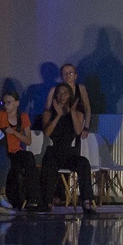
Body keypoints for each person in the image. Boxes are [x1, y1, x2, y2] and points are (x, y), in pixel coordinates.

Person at [36, 84, 95, 215]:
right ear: (56, 96)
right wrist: (58, 115)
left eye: (65, 93)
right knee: (49, 164)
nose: (62, 96)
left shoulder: (77, 113)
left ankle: (86, 201)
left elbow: (79, 131)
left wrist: (72, 112)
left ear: (70, 96)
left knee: (84, 162)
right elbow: (47, 133)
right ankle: (47, 202)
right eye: (59, 93)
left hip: (69, 153)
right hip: (54, 151)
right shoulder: (48, 113)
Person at [0, 90, 38, 210]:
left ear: (16, 103)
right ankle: (13, 197)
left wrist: (13, 132)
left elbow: (28, 141)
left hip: (16, 150)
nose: (6, 105)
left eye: (9, 102)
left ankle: (33, 197)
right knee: (14, 164)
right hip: (4, 149)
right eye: (4, 102)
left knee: (28, 157)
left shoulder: (23, 117)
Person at [50, 64, 92, 140]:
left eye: (71, 73)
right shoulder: (54, 89)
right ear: (61, 76)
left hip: (77, 124)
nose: (68, 75)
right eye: (65, 73)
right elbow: (48, 109)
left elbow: (87, 109)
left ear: (76, 75)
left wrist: (86, 127)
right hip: (59, 124)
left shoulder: (81, 88)